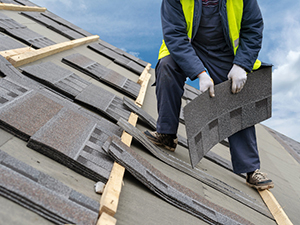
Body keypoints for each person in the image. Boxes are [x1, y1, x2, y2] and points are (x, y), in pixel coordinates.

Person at [144, 0, 274, 190]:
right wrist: (200, 73)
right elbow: (175, 36)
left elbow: (253, 29)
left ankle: (251, 169)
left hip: (225, 53)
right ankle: (166, 133)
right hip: (189, 48)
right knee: (166, 67)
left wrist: (242, 65)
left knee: (237, 91)